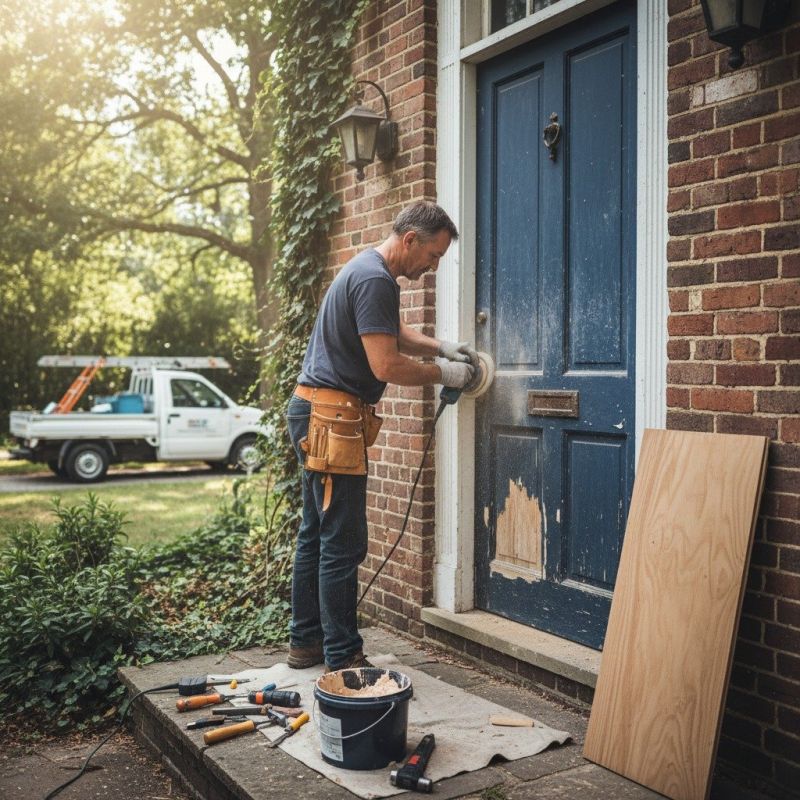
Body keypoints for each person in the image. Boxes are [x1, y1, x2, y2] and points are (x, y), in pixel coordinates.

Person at [285, 201, 477, 672]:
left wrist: (440, 346)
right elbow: (385, 364)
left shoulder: (368, 269)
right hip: (332, 421)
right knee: (341, 542)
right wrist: (445, 373)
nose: (432, 268)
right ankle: (343, 657)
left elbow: (386, 331)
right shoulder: (375, 279)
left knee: (316, 534)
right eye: (432, 256)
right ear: (410, 240)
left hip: (316, 412)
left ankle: (305, 643)